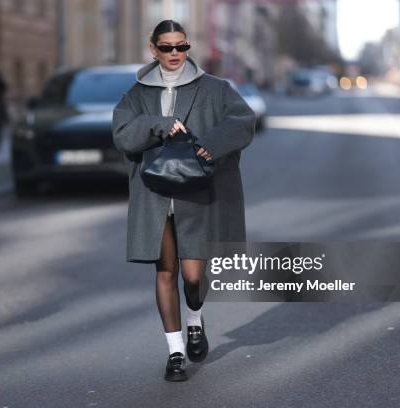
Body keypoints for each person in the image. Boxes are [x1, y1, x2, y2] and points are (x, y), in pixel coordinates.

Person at [112, 20, 256, 382]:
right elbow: (123, 134)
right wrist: (159, 125)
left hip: (197, 192)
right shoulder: (136, 93)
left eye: (181, 47)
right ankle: (175, 352)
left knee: (193, 277)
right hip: (154, 194)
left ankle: (195, 318)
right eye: (166, 47)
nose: (175, 54)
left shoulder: (215, 89)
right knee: (165, 271)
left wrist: (213, 145)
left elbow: (243, 121)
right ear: (153, 48)